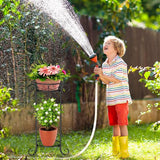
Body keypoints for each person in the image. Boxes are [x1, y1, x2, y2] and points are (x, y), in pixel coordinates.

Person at [94, 35, 132, 159]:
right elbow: (106, 81)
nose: (105, 44)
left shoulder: (121, 63)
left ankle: (124, 152)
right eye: (105, 43)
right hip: (111, 99)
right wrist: (100, 74)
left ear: (116, 48)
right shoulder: (105, 64)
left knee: (122, 124)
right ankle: (115, 150)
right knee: (115, 124)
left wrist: (102, 75)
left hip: (121, 98)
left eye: (108, 43)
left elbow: (116, 80)